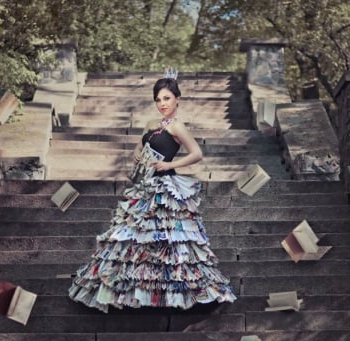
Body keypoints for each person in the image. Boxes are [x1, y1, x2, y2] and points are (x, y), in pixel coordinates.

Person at [69, 71, 236, 313]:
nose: (162, 104)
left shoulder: (178, 126)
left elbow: (197, 153)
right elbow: (141, 145)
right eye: (158, 100)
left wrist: (170, 165)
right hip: (145, 186)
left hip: (166, 189)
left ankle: (175, 295)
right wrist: (137, 153)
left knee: (170, 241)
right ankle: (133, 291)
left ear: (177, 99)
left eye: (167, 98)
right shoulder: (150, 125)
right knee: (132, 237)